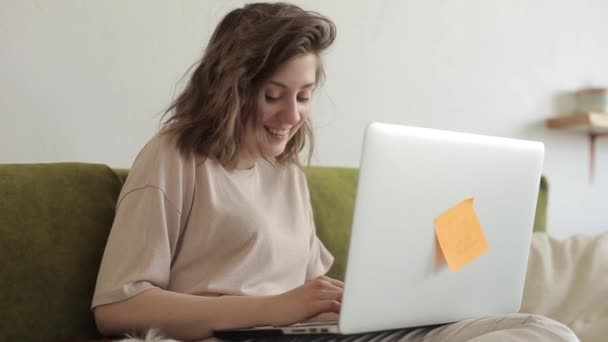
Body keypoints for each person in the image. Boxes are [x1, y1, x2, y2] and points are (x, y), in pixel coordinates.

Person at [91, 2, 578, 342]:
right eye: (272, 95)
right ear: (230, 89)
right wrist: (270, 309)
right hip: (234, 335)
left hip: (303, 335)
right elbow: (116, 309)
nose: (292, 116)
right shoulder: (174, 157)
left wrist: (376, 299)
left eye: (303, 96)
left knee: (541, 331)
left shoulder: (285, 172)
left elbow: (308, 291)